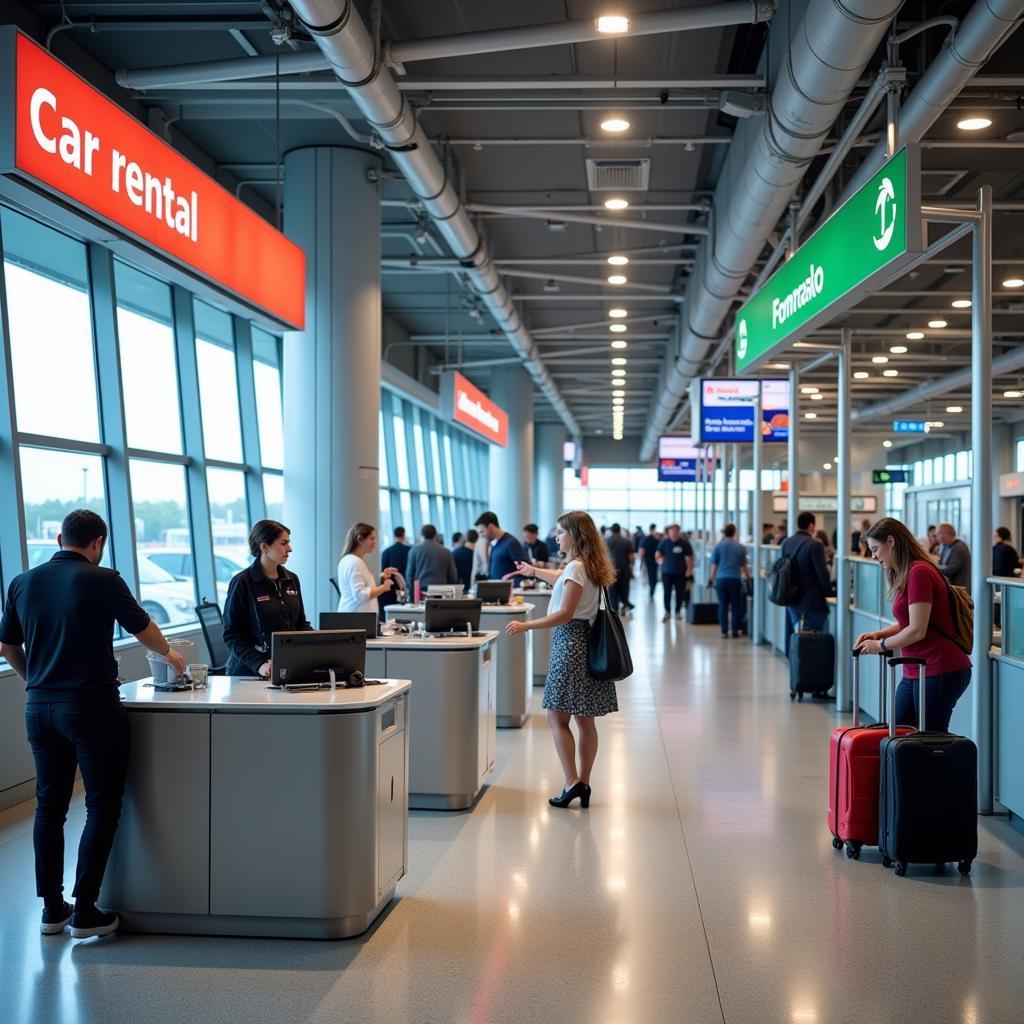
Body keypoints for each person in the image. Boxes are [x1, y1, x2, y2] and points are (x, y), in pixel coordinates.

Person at [0, 509, 186, 939]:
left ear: (61, 538)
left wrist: (36, 680)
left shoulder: (22, 582)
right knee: (102, 805)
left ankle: (51, 910)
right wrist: (172, 657)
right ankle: (86, 910)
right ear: (97, 542)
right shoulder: (103, 579)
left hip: (39, 708)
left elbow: (8, 645)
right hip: (91, 707)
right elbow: (143, 628)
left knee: (49, 807)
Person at [505, 511, 618, 809]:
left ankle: (572, 782)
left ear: (574, 535)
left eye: (560, 532)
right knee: (585, 718)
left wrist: (527, 625)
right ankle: (584, 782)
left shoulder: (576, 568)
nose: (556, 537)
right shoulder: (589, 566)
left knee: (557, 716)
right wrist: (534, 571)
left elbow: (565, 613)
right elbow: (562, 577)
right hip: (586, 642)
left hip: (570, 644)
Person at [855, 517, 971, 732]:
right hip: (916, 668)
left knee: (929, 742)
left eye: (875, 548)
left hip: (940, 668)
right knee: (899, 733)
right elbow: (908, 623)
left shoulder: (919, 572)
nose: (872, 555)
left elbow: (917, 630)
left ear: (891, 541)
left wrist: (880, 646)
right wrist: (878, 634)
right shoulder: (906, 573)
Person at [223, 519, 313, 678]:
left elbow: (300, 624)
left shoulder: (291, 579)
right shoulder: (242, 582)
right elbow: (232, 635)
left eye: (289, 543)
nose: (290, 549)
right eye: (283, 543)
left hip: (285, 669)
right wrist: (259, 664)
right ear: (264, 546)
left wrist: (321, 644)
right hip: (248, 673)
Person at [779, 511, 831, 654]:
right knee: (814, 642)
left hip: (791, 600)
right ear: (811, 525)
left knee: (797, 637)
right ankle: (811, 671)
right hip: (812, 602)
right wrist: (829, 591)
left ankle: (797, 667)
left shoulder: (786, 543)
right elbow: (822, 574)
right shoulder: (815, 545)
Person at [335, 522, 398, 613]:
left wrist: (383, 576)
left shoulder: (352, 560)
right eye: (372, 539)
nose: (374, 542)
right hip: (356, 619)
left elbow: (365, 585)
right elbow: (360, 595)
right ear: (360, 539)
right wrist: (384, 587)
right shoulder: (354, 563)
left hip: (357, 617)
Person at [707, 524, 749, 638]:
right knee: (736, 605)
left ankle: (724, 631)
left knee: (723, 605)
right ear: (734, 532)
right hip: (735, 579)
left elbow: (714, 565)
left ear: (724, 533)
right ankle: (735, 630)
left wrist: (711, 578)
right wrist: (749, 577)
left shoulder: (718, 547)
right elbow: (744, 565)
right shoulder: (740, 547)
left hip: (721, 580)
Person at [656, 524, 693, 622]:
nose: (673, 533)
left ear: (678, 532)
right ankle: (667, 611)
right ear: (669, 532)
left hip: (681, 573)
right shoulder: (664, 543)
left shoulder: (684, 543)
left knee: (679, 593)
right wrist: (659, 559)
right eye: (671, 531)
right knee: (666, 592)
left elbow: (689, 557)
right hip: (667, 572)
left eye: (675, 531)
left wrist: (689, 569)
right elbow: (658, 554)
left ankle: (677, 611)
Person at [475, 511, 527, 580]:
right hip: (496, 588)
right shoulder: (495, 544)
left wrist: (511, 579)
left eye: (482, 532)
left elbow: (526, 569)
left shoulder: (510, 543)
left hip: (508, 589)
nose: (481, 536)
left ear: (490, 527)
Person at [405, 524, 459, 590]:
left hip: (421, 589)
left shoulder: (414, 550)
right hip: (442, 589)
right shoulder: (446, 551)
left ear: (422, 535)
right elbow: (453, 574)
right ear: (435, 535)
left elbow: (409, 574)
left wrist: (412, 590)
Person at [604, 523, 635, 614]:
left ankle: (614, 609)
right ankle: (625, 604)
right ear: (619, 530)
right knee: (624, 589)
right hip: (624, 569)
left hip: (610, 569)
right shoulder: (627, 541)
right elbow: (631, 557)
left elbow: (603, 557)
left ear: (612, 530)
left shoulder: (606, 541)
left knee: (612, 590)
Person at [380, 527, 411, 612]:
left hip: (390, 590)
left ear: (394, 535)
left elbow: (384, 572)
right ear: (404, 535)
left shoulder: (386, 552)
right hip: (406, 588)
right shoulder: (410, 550)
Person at [936, 522, 971, 589]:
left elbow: (951, 570)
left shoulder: (959, 548)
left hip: (960, 590)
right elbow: (941, 563)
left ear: (945, 534)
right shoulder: (947, 546)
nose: (937, 537)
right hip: (954, 588)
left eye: (938, 534)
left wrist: (933, 567)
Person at [639, 523, 661, 600]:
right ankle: (652, 589)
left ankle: (651, 588)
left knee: (648, 575)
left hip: (647, 560)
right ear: (654, 529)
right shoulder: (657, 540)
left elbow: (642, 551)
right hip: (655, 561)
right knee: (653, 575)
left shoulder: (645, 539)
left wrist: (641, 560)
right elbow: (659, 551)